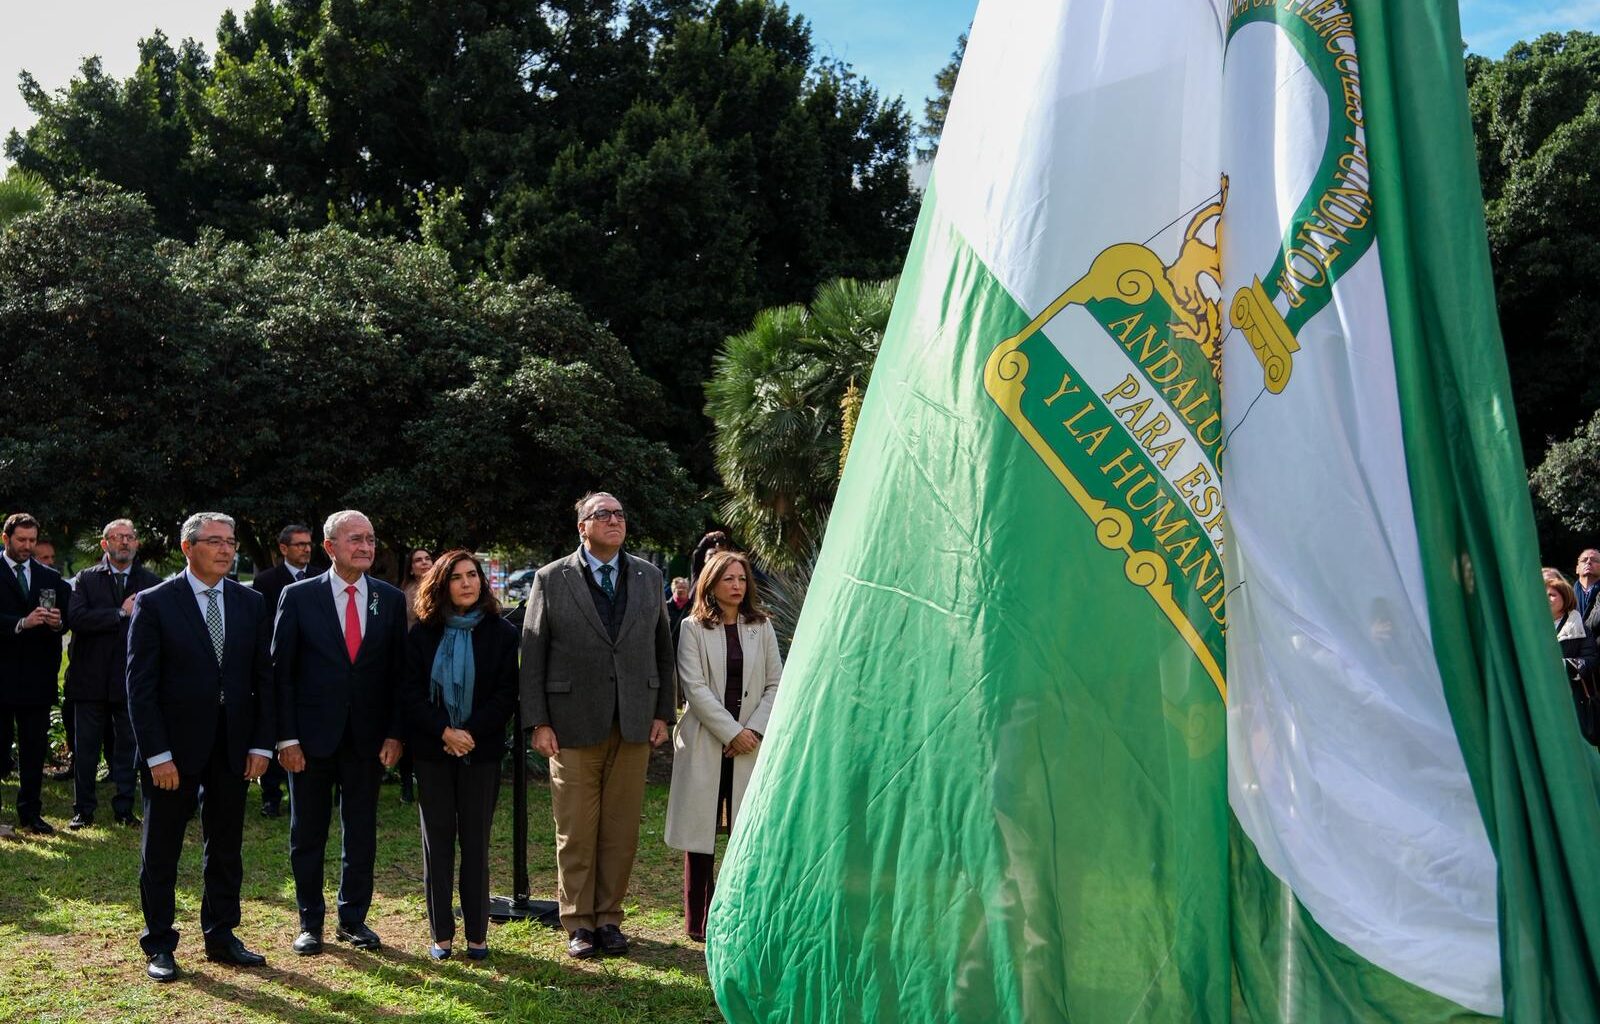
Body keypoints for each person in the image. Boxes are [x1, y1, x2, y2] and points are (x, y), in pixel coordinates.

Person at [521, 491, 676, 959]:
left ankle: (609, 918)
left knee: (621, 828)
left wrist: (663, 712)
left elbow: (662, 649)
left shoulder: (649, 576)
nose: (614, 520)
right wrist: (538, 721)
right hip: (570, 725)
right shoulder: (551, 578)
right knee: (576, 829)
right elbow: (533, 657)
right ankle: (578, 923)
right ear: (582, 527)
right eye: (602, 514)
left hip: (633, 721)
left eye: (620, 514)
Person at [126, 512, 274, 981]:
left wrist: (261, 745)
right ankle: (160, 944)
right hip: (173, 752)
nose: (227, 549)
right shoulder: (155, 603)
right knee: (162, 848)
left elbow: (262, 681)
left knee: (226, 845)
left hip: (232, 747)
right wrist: (157, 755)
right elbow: (140, 688)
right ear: (188, 548)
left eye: (231, 541)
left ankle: (222, 935)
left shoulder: (251, 602)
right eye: (215, 541)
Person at [273, 509, 406, 955]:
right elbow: (282, 675)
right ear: (330, 547)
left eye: (370, 539)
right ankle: (310, 922)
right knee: (307, 833)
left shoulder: (388, 599)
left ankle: (354, 920)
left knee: (361, 832)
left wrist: (394, 732)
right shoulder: (298, 597)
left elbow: (397, 677)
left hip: (367, 739)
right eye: (355, 540)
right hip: (309, 741)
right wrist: (286, 738)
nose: (366, 547)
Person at [402, 550, 518, 961]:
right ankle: (441, 935)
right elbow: (410, 694)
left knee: (476, 844)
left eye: (473, 575)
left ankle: (477, 935)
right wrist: (444, 731)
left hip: (480, 751)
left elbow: (506, 694)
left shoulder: (501, 634)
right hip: (433, 751)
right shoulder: (422, 634)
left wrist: (469, 734)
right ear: (441, 584)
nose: (467, 583)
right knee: (437, 844)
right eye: (456, 577)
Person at [664, 550, 782, 941]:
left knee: (745, 831)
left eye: (742, 579)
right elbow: (694, 688)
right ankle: (699, 920)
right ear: (711, 583)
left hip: (750, 744)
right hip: (707, 741)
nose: (736, 585)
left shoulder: (761, 626)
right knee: (700, 834)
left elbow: (775, 683)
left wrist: (752, 731)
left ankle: (742, 913)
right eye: (728, 578)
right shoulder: (693, 628)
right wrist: (731, 731)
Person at [65, 519, 160, 830]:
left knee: (127, 749)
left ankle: (124, 808)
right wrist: (120, 613)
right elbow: (77, 618)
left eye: (130, 537)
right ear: (104, 544)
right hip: (89, 680)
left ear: (136, 544)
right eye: (118, 538)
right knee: (86, 750)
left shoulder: (150, 582)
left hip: (130, 680)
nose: (125, 542)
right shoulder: (85, 579)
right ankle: (83, 811)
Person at [0, 512, 71, 834]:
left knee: (33, 752)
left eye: (32, 540)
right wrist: (20, 623)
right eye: (21, 540)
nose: (27, 546)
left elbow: (69, 618)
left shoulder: (50, 577)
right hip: (1, 676)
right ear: (6, 539)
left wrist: (58, 622)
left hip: (37, 679)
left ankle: (31, 813)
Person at [250, 523, 321, 819]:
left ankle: (303, 794)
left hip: (312, 667)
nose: (306, 548)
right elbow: (262, 624)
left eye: (308, 544)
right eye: (299, 544)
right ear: (283, 549)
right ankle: (271, 795)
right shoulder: (267, 580)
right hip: (277, 664)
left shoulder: (321, 577)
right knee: (276, 726)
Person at [395, 546, 434, 804]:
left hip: (437, 664)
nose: (423, 563)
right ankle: (406, 781)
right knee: (409, 727)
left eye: (427, 559)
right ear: (410, 567)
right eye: (418, 560)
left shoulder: (443, 589)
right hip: (411, 663)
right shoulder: (402, 594)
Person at [1547, 568, 1600, 745]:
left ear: (1565, 597)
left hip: (1571, 700)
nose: (1546, 598)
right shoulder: (1530, 626)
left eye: (1552, 594)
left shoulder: (1579, 626)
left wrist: (1563, 666)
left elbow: (1591, 659)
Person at [1576, 549, 1600, 638]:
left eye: (1595, 560)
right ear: (1577, 569)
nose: (1589, 562)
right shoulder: (1564, 596)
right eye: (1584, 560)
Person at [666, 576, 692, 646]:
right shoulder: (665, 607)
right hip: (668, 648)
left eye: (684, 588)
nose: (682, 590)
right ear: (673, 590)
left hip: (687, 646)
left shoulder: (693, 608)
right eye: (679, 587)